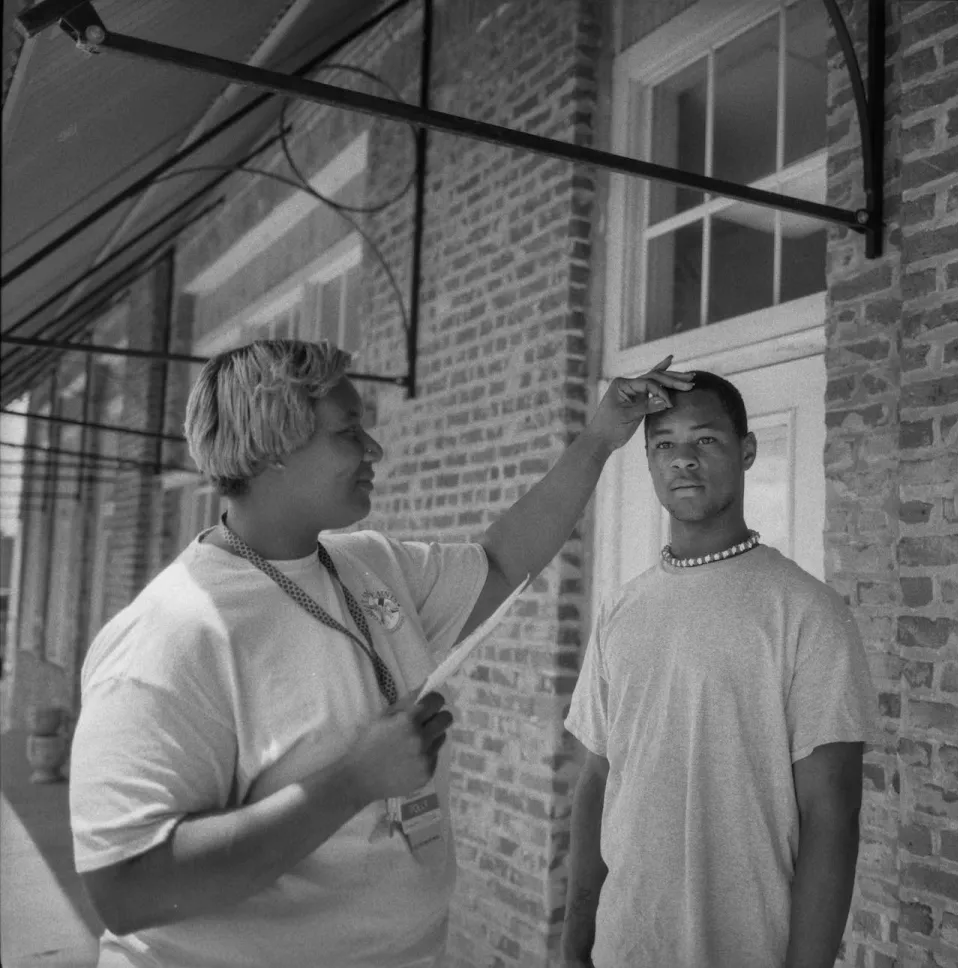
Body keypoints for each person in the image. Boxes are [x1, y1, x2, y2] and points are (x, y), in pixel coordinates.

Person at [69, 338, 693, 968]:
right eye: (349, 431)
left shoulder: (368, 565)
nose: (374, 449)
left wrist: (601, 437)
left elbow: (504, 560)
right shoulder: (171, 633)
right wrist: (354, 781)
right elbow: (127, 888)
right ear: (274, 451)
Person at [561, 371, 879, 968]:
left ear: (747, 452)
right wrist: (576, 942)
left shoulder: (806, 610)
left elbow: (833, 815)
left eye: (705, 440)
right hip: (624, 947)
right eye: (663, 444)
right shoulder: (620, 610)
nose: (683, 459)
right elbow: (597, 787)